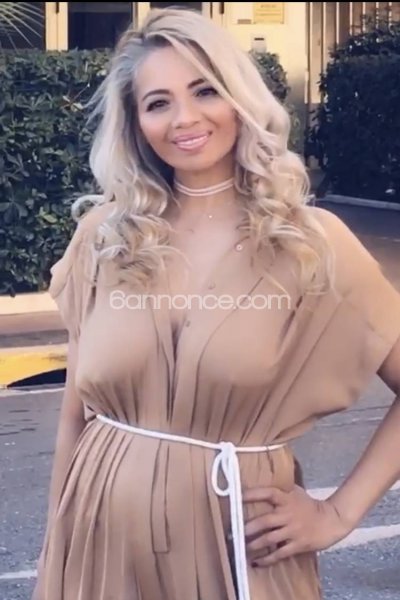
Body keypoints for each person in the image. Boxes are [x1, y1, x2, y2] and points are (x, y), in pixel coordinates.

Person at [32, 7, 400, 600]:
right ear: (136, 124)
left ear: (239, 98)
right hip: (100, 545)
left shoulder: (308, 243)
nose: (185, 118)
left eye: (205, 91)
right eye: (158, 103)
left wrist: (337, 514)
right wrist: (58, 549)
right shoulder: (108, 237)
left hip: (237, 549)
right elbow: (76, 412)